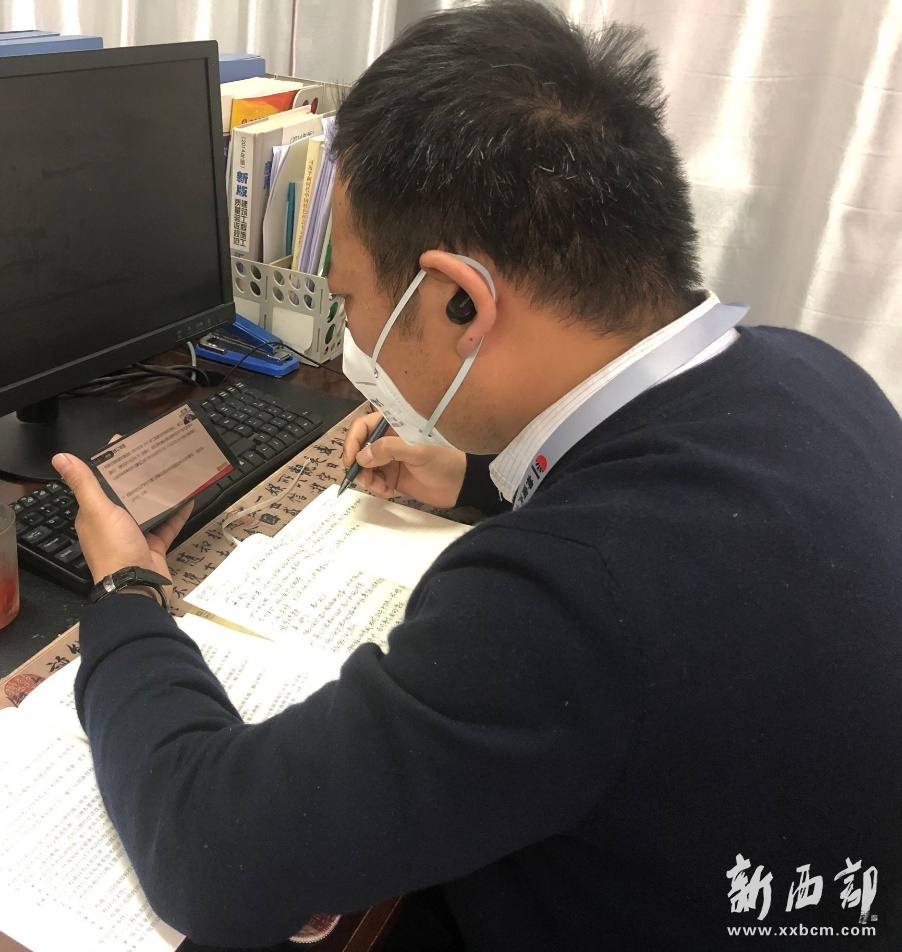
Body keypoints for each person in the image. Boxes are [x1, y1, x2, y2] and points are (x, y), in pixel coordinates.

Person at [51, 1, 902, 948]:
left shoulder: (572, 596)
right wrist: (475, 480)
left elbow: (211, 855)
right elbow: (662, 500)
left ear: (460, 299)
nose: (352, 333)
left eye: (348, 297)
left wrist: (127, 596)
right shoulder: (813, 373)